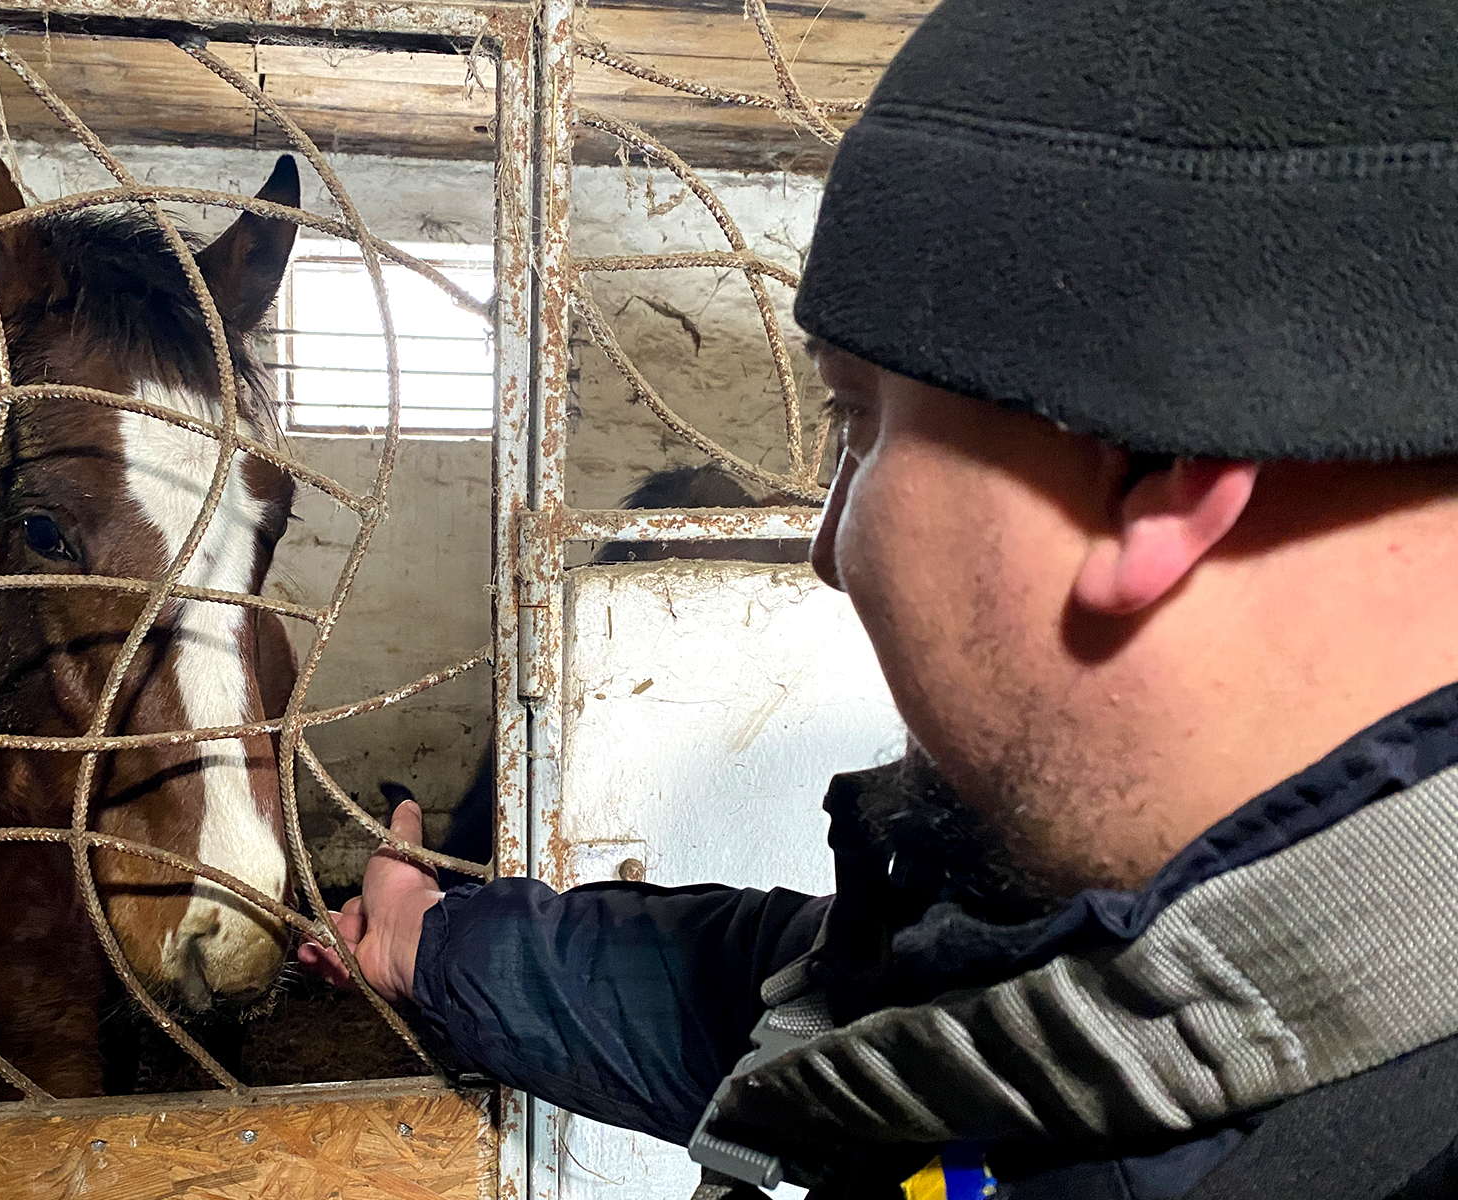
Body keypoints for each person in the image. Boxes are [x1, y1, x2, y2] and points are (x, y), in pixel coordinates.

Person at [302, 1, 1458, 1196]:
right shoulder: (1135, 971)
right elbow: (827, 1015)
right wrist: (436, 939)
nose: (826, 547)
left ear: (1148, 481)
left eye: (855, 420)